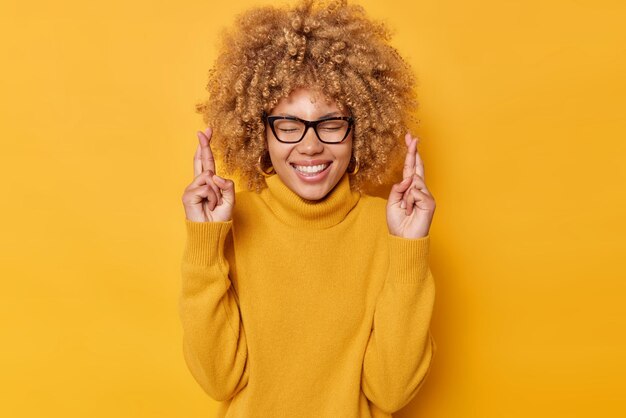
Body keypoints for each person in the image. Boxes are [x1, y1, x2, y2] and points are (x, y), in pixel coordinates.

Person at [179, 0, 437, 416]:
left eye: (332, 123)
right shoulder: (228, 221)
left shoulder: (390, 228)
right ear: (259, 131)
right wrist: (205, 245)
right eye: (288, 124)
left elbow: (391, 391)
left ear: (361, 129)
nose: (311, 144)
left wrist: (409, 248)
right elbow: (217, 379)